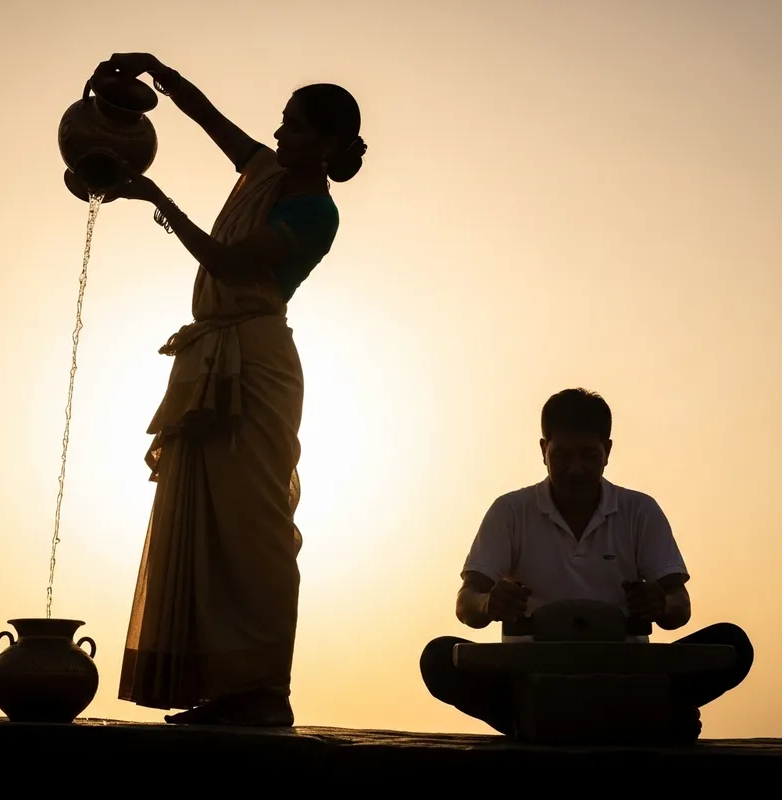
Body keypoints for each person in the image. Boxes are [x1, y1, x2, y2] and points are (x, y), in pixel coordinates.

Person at [98, 52, 368, 726]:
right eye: (281, 125)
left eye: (294, 129)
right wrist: (156, 70)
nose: (279, 137)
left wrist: (155, 197)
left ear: (327, 145)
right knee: (206, 522)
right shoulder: (266, 169)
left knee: (254, 529)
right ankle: (220, 689)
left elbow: (223, 261)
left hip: (257, 364)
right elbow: (207, 117)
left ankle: (263, 689)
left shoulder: (316, 214)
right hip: (212, 356)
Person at [420, 388, 753, 741]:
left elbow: (679, 607)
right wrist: (489, 603)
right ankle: (643, 717)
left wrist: (660, 602)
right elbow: (467, 601)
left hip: (628, 672)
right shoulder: (511, 511)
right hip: (530, 674)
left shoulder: (639, 511)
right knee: (439, 657)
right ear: (543, 450)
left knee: (734, 644)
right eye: (562, 455)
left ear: (607, 451)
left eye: (588, 455)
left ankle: (544, 722)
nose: (575, 468)